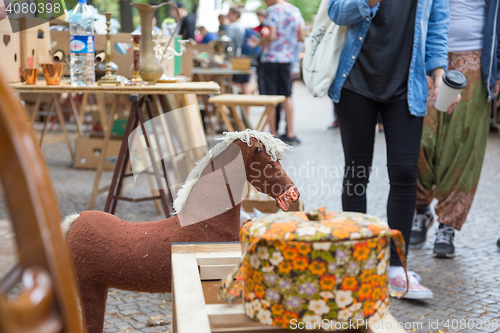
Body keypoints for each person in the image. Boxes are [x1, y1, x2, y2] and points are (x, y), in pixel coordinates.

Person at [328, 0, 459, 299]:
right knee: (357, 171)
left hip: (406, 87)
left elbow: (437, 30)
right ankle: (356, 261)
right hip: (355, 82)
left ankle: (397, 268)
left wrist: (440, 76)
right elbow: (336, 12)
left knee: (403, 173)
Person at [411, 0, 500, 258]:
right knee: (418, 139)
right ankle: (420, 209)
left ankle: (447, 225)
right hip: (425, 58)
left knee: (464, 145)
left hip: (475, 59)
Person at [248, 0, 304, 144]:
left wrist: (258, 43)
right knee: (287, 95)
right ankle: (291, 133)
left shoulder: (273, 11)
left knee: (271, 97)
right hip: (287, 59)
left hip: (271, 59)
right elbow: (301, 37)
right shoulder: (295, 10)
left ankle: (273, 134)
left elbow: (271, 36)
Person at [226, 5, 252, 110]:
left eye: (229, 14)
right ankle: (246, 114)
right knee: (245, 85)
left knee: (234, 84)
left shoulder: (232, 26)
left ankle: (236, 114)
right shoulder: (242, 25)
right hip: (244, 58)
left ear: (235, 14)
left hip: (236, 58)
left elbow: (226, 42)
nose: (228, 16)